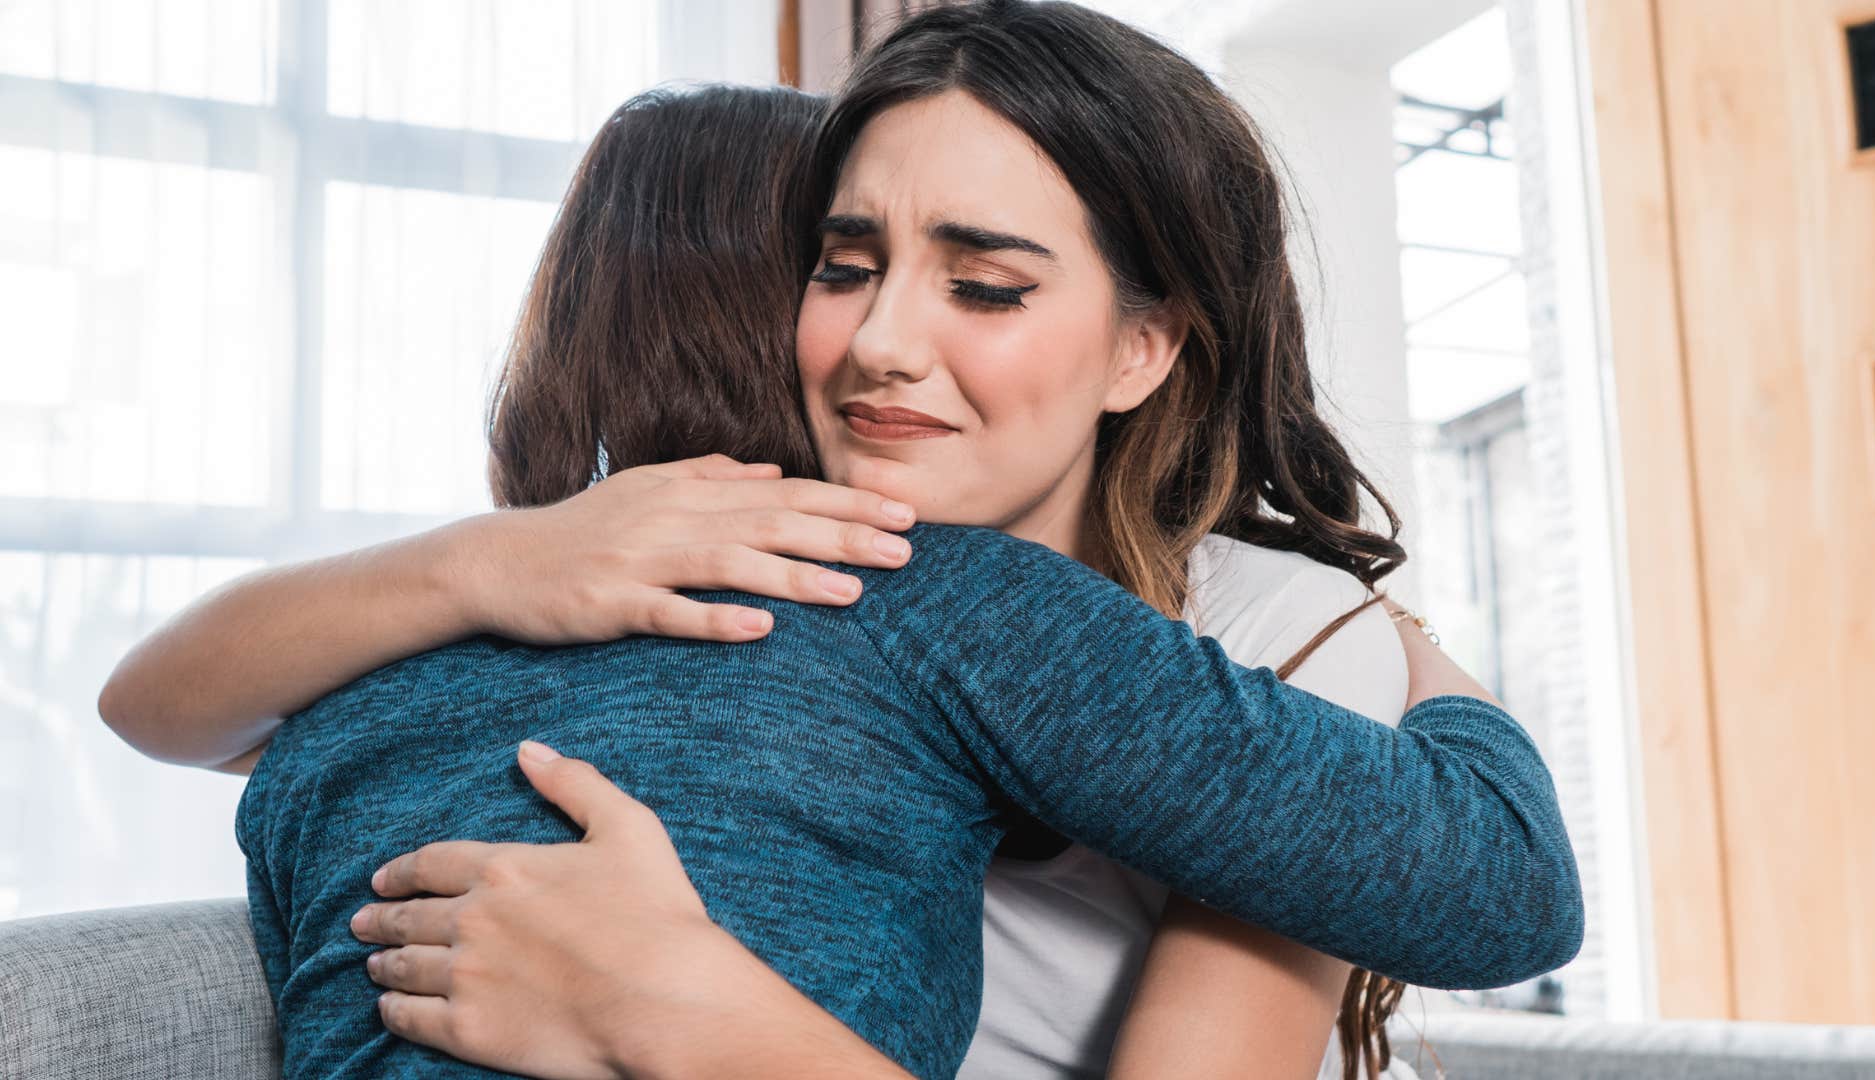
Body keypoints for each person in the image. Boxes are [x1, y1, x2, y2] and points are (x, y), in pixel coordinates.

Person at [101, 6, 1580, 1079]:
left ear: (1144, 348)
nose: (880, 343)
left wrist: (680, 1006)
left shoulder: (1247, 628)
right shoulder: (762, 590)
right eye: (842, 266)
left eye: (984, 287)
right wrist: (501, 559)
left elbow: (1504, 885)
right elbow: (165, 699)